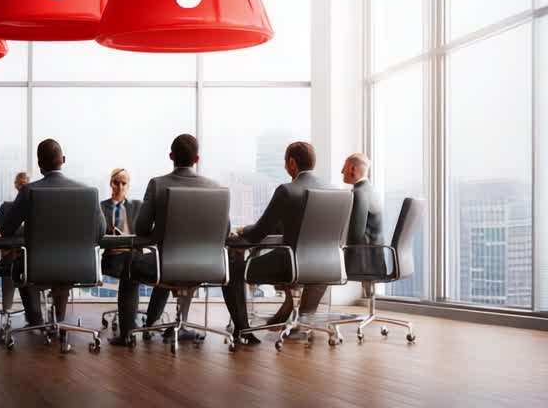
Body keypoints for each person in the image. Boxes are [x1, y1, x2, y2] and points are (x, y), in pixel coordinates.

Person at [223, 141, 331, 346]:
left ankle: (243, 330)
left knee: (232, 268)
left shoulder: (287, 190)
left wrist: (242, 230)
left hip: (291, 263)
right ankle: (294, 318)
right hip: (328, 265)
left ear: (291, 162)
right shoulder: (334, 190)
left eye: (284, 162)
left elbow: (258, 234)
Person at [117, 135, 218, 346]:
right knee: (170, 264)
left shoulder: (157, 184)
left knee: (132, 264)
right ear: (197, 158)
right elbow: (223, 230)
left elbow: (141, 228)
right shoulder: (214, 187)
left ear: (171, 156)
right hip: (207, 267)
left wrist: (164, 236)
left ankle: (127, 333)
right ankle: (164, 322)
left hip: (167, 264)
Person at [0, 139, 105, 332]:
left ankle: (36, 321)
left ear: (40, 165)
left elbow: (6, 229)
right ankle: (59, 321)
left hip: (37, 266)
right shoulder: (88, 192)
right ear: (63, 160)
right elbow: (101, 231)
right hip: (78, 266)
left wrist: (32, 230)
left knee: (21, 265)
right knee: (55, 272)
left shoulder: (29, 191)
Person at [269, 152, 385, 321]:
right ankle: (300, 314)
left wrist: (336, 251)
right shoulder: (371, 191)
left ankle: (296, 313)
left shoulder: (358, 193)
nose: (341, 171)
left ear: (352, 169)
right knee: (317, 257)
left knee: (313, 259)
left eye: (344, 167)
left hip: (361, 258)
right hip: (375, 256)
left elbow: (355, 234)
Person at [0, 172, 30, 313]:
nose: (21, 186)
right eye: (18, 183)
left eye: (24, 183)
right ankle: (8, 309)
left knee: (16, 263)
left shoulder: (37, 207)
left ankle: (32, 311)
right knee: (11, 262)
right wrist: (0, 233)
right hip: (11, 253)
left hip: (31, 257)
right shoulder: (7, 207)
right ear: (15, 185)